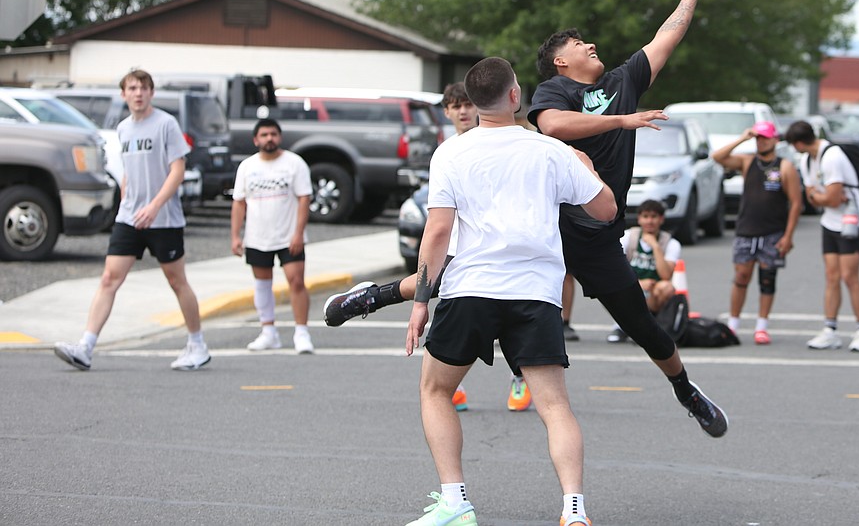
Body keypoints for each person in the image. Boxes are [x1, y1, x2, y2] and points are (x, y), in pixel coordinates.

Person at [404, 57, 615, 526]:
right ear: (515, 96)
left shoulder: (450, 153)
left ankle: (456, 502)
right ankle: (574, 511)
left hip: (470, 289)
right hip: (536, 293)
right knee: (555, 406)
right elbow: (605, 210)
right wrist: (587, 167)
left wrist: (421, 302)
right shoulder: (550, 151)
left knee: (436, 391)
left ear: (473, 103)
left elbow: (437, 233)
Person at [528, 0, 728, 438]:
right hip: (545, 228)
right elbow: (553, 127)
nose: (590, 44)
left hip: (597, 235)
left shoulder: (622, 82)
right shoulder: (553, 91)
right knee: (476, 292)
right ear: (561, 61)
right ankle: (381, 296)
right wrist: (622, 120)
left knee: (643, 324)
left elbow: (666, 38)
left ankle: (686, 390)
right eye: (579, 44)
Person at [322, 83, 531, 412]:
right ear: (446, 112)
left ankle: (374, 297)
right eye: (455, 106)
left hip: (502, 248)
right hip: (461, 246)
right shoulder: (447, 153)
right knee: (439, 289)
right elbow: (439, 220)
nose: (463, 111)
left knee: (505, 309)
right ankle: (371, 299)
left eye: (468, 104)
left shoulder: (510, 142)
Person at [53, 69, 211, 371]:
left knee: (177, 281)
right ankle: (86, 346)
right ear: (124, 94)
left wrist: (153, 206)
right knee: (109, 278)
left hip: (163, 218)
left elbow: (177, 170)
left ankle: (197, 345)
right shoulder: (124, 129)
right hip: (129, 218)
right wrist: (126, 202)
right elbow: (129, 171)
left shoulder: (166, 124)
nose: (138, 93)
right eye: (132, 88)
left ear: (151, 93)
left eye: (143, 88)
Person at [784, 119, 859, 352]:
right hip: (830, 221)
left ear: (799, 143)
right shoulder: (807, 160)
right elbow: (812, 195)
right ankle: (830, 330)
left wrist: (818, 196)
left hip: (851, 220)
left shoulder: (832, 156)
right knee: (831, 275)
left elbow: (831, 198)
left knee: (849, 276)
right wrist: (819, 197)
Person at [710, 121, 803, 345]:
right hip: (746, 230)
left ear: (775, 140)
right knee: (741, 276)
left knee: (767, 278)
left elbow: (796, 203)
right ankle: (733, 323)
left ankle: (762, 325)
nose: (761, 142)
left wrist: (788, 235)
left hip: (772, 231)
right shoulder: (748, 161)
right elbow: (718, 157)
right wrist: (743, 138)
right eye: (758, 138)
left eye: (765, 138)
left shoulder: (784, 167)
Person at [230, 118, 314, 353]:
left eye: (273, 134)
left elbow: (304, 199)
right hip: (257, 236)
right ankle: (268, 331)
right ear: (256, 139)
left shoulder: (294, 164)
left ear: (280, 137)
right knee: (262, 284)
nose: (269, 138)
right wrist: (236, 236)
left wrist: (298, 233)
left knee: (296, 281)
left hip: (288, 236)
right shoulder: (247, 166)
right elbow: (238, 203)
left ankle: (302, 332)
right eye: (264, 135)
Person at [607, 199, 679, 344]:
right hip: (630, 288)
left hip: (653, 293)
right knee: (610, 284)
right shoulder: (628, 237)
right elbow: (614, 268)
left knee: (667, 287)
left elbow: (666, 275)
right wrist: (638, 283)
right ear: (639, 219)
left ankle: (653, 323)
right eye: (645, 216)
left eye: (654, 217)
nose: (650, 221)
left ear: (661, 219)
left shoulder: (671, 243)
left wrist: (655, 247)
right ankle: (621, 325)